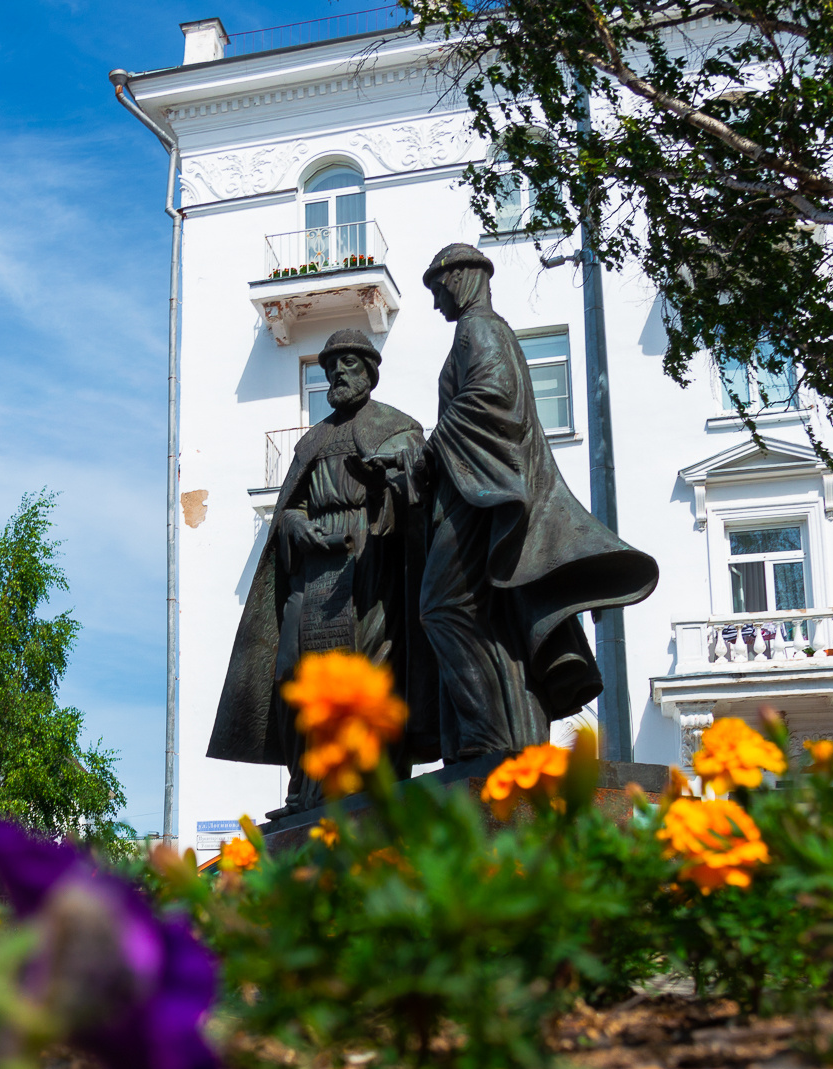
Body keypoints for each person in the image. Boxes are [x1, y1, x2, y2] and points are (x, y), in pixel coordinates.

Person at [416, 243, 658, 759]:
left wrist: (432, 447)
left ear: (461, 277)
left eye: (438, 289)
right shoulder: (487, 330)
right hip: (482, 488)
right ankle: (513, 737)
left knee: (442, 608)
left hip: (481, 497)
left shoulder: (478, 329)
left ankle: (487, 734)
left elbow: (493, 396)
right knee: (495, 619)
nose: (437, 303)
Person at [209, 327, 440, 816]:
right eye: (330, 365)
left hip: (371, 566)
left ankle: (367, 782)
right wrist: (296, 524)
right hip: (312, 573)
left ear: (370, 372)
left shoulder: (398, 427)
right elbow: (288, 509)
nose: (337, 372)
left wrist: (388, 491)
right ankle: (306, 787)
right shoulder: (312, 440)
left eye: (349, 364)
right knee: (291, 672)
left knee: (368, 674)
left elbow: (419, 500)